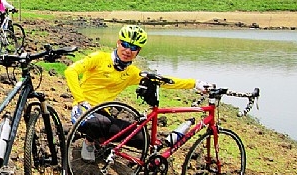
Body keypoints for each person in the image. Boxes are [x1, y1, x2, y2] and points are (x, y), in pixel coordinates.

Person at [65, 25, 210, 161]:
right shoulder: (99, 58)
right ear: (118, 43)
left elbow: (163, 81)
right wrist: (81, 100)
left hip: (104, 112)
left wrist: (194, 83)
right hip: (83, 110)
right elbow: (71, 71)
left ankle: (100, 141)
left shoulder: (132, 73)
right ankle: (89, 142)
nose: (128, 50)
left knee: (142, 139)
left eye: (133, 47)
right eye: (125, 44)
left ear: (138, 51)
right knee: (97, 124)